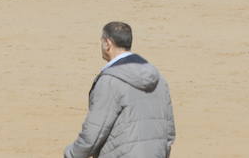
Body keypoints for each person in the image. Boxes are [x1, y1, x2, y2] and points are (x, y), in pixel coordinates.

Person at [64, 21, 176, 158]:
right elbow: (169, 133)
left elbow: (94, 133)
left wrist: (72, 154)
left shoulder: (110, 82)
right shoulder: (159, 79)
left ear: (107, 43)